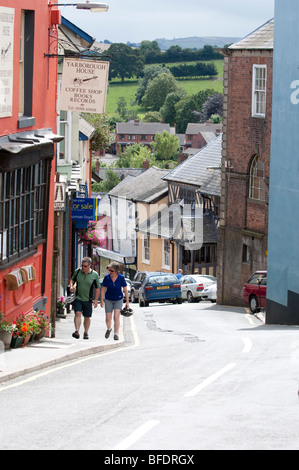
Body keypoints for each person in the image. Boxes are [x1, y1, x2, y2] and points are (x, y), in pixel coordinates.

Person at [69, 257, 101, 340]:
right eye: (82, 265)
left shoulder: (94, 275)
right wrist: (71, 286)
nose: (83, 267)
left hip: (88, 300)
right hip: (78, 298)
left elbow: (97, 288)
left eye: (85, 266)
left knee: (87, 317)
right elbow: (72, 280)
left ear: (90, 266)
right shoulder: (78, 271)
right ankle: (77, 331)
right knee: (78, 313)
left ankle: (86, 332)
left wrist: (96, 300)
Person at [100, 262, 129, 341]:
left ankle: (116, 334)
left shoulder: (121, 278)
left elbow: (125, 290)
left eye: (112, 271)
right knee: (108, 319)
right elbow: (103, 289)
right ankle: (109, 329)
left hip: (118, 299)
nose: (110, 272)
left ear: (116, 271)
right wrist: (102, 300)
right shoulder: (107, 278)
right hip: (108, 299)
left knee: (116, 316)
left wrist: (127, 303)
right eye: (109, 270)